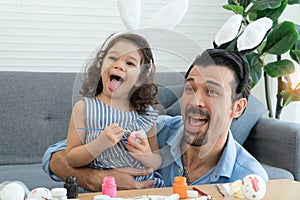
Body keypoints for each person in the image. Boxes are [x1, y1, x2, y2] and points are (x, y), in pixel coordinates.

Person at [42, 48, 268, 191]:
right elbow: (55, 156)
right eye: (190, 88)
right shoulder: (150, 132)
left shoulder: (248, 180)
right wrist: (96, 178)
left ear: (237, 108)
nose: (194, 101)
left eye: (212, 92)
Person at [58, 32, 165, 190]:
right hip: (105, 190)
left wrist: (146, 155)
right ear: (101, 65)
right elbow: (72, 158)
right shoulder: (84, 108)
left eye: (129, 63)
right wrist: (100, 144)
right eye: (113, 58)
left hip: (146, 187)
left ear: (140, 79)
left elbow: (157, 161)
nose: (119, 65)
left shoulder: (146, 114)